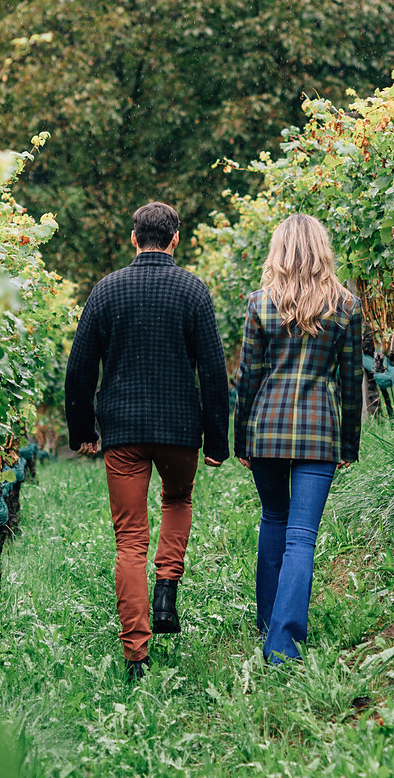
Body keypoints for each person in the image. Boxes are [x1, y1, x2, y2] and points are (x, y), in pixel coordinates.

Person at [63, 202, 229, 681]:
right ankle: (166, 590)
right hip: (180, 430)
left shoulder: (106, 290)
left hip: (123, 433)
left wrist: (83, 431)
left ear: (134, 238)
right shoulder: (193, 290)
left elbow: (79, 368)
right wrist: (217, 440)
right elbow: (214, 372)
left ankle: (136, 654)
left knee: (130, 539)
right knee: (177, 501)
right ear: (176, 239)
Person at [231, 213, 363, 663]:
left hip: (266, 429)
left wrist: (241, 440)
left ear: (280, 253)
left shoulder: (260, 303)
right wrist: (348, 445)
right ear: (322, 251)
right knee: (301, 537)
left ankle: (267, 622)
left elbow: (248, 377)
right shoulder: (345, 306)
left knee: (274, 517)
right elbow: (350, 382)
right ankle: (283, 646)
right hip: (320, 432)